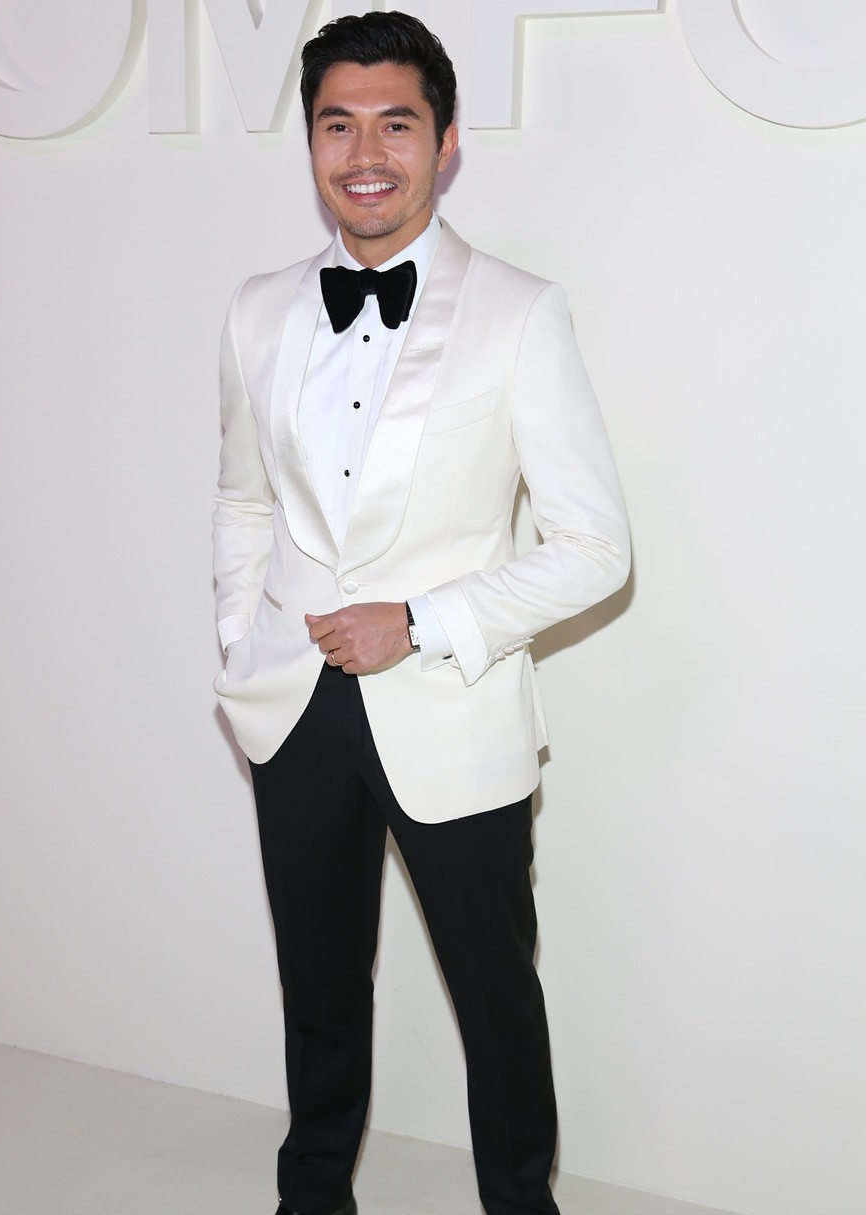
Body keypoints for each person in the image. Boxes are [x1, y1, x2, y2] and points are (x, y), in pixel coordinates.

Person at [212, 11, 630, 1215]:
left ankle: (520, 1202)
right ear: (310, 142)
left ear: (446, 143)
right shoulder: (255, 310)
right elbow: (242, 500)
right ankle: (312, 1195)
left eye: (395, 124)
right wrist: (243, 640)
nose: (365, 154)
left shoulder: (520, 311)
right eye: (337, 124)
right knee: (318, 991)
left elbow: (597, 549)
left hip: (452, 707)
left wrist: (423, 620)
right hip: (293, 707)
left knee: (497, 998)